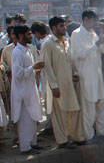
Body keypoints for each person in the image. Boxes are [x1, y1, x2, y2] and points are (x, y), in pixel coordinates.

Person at [41, 16, 84, 148]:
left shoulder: (66, 41)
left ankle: (76, 137)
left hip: (69, 84)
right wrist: (54, 86)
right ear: (53, 28)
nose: (64, 28)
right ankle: (62, 141)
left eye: (65, 25)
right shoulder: (47, 44)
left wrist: (74, 74)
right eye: (61, 26)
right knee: (59, 114)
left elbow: (70, 60)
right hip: (57, 85)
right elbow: (46, 66)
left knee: (74, 110)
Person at [70, 9, 104, 142]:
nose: (95, 24)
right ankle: (89, 136)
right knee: (89, 106)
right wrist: (96, 45)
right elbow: (79, 54)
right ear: (86, 19)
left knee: (102, 102)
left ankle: (102, 132)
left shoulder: (94, 34)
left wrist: (103, 34)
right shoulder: (76, 34)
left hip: (97, 74)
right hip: (86, 75)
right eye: (93, 21)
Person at [11, 24, 45, 154]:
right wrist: (34, 67)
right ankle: (25, 147)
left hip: (30, 90)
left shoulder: (28, 50)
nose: (30, 36)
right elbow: (18, 74)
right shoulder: (17, 52)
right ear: (21, 36)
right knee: (25, 120)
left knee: (32, 118)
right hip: (22, 93)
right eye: (28, 34)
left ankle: (32, 143)